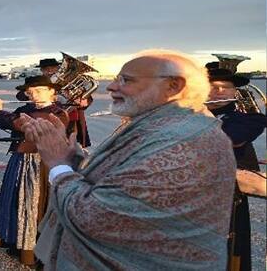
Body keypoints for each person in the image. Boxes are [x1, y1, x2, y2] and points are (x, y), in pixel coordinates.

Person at [22, 50, 236, 270]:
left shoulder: (182, 143)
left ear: (174, 86)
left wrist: (59, 165)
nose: (111, 87)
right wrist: (74, 158)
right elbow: (122, 178)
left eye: (126, 80)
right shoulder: (162, 126)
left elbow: (93, 218)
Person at [0, 76, 68, 266]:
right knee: (17, 202)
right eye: (30, 91)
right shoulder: (24, 109)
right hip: (19, 160)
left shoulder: (58, 112)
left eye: (39, 90)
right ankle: (17, 241)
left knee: (35, 204)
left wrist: (0, 111)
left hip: (41, 163)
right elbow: (3, 120)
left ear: (52, 92)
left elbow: (23, 124)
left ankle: (36, 250)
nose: (34, 94)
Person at [206, 67, 266, 270]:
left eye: (226, 87)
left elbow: (230, 138)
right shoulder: (183, 116)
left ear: (235, 92)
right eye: (213, 87)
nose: (220, 91)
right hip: (188, 197)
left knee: (228, 253)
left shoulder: (249, 119)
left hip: (227, 201)